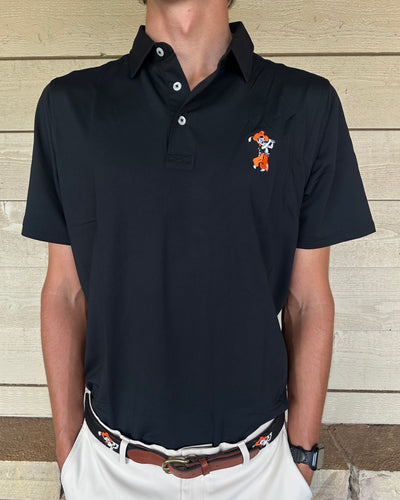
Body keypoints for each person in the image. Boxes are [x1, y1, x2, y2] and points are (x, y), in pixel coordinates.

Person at [21, 0, 376, 498]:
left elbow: (308, 300)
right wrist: (69, 454)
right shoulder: (69, 106)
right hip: (107, 470)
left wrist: (300, 460)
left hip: (258, 472)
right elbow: (65, 293)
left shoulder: (305, 105)